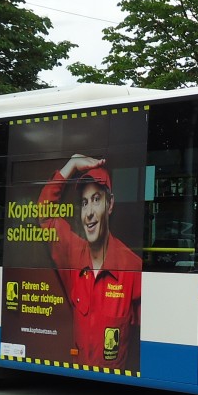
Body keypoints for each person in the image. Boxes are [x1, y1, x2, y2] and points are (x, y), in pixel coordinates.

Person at [38, 155, 142, 369]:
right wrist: (72, 164)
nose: (90, 213)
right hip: (80, 383)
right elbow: (44, 214)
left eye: (96, 199)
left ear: (110, 204)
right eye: (84, 203)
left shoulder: (132, 266)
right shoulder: (72, 252)